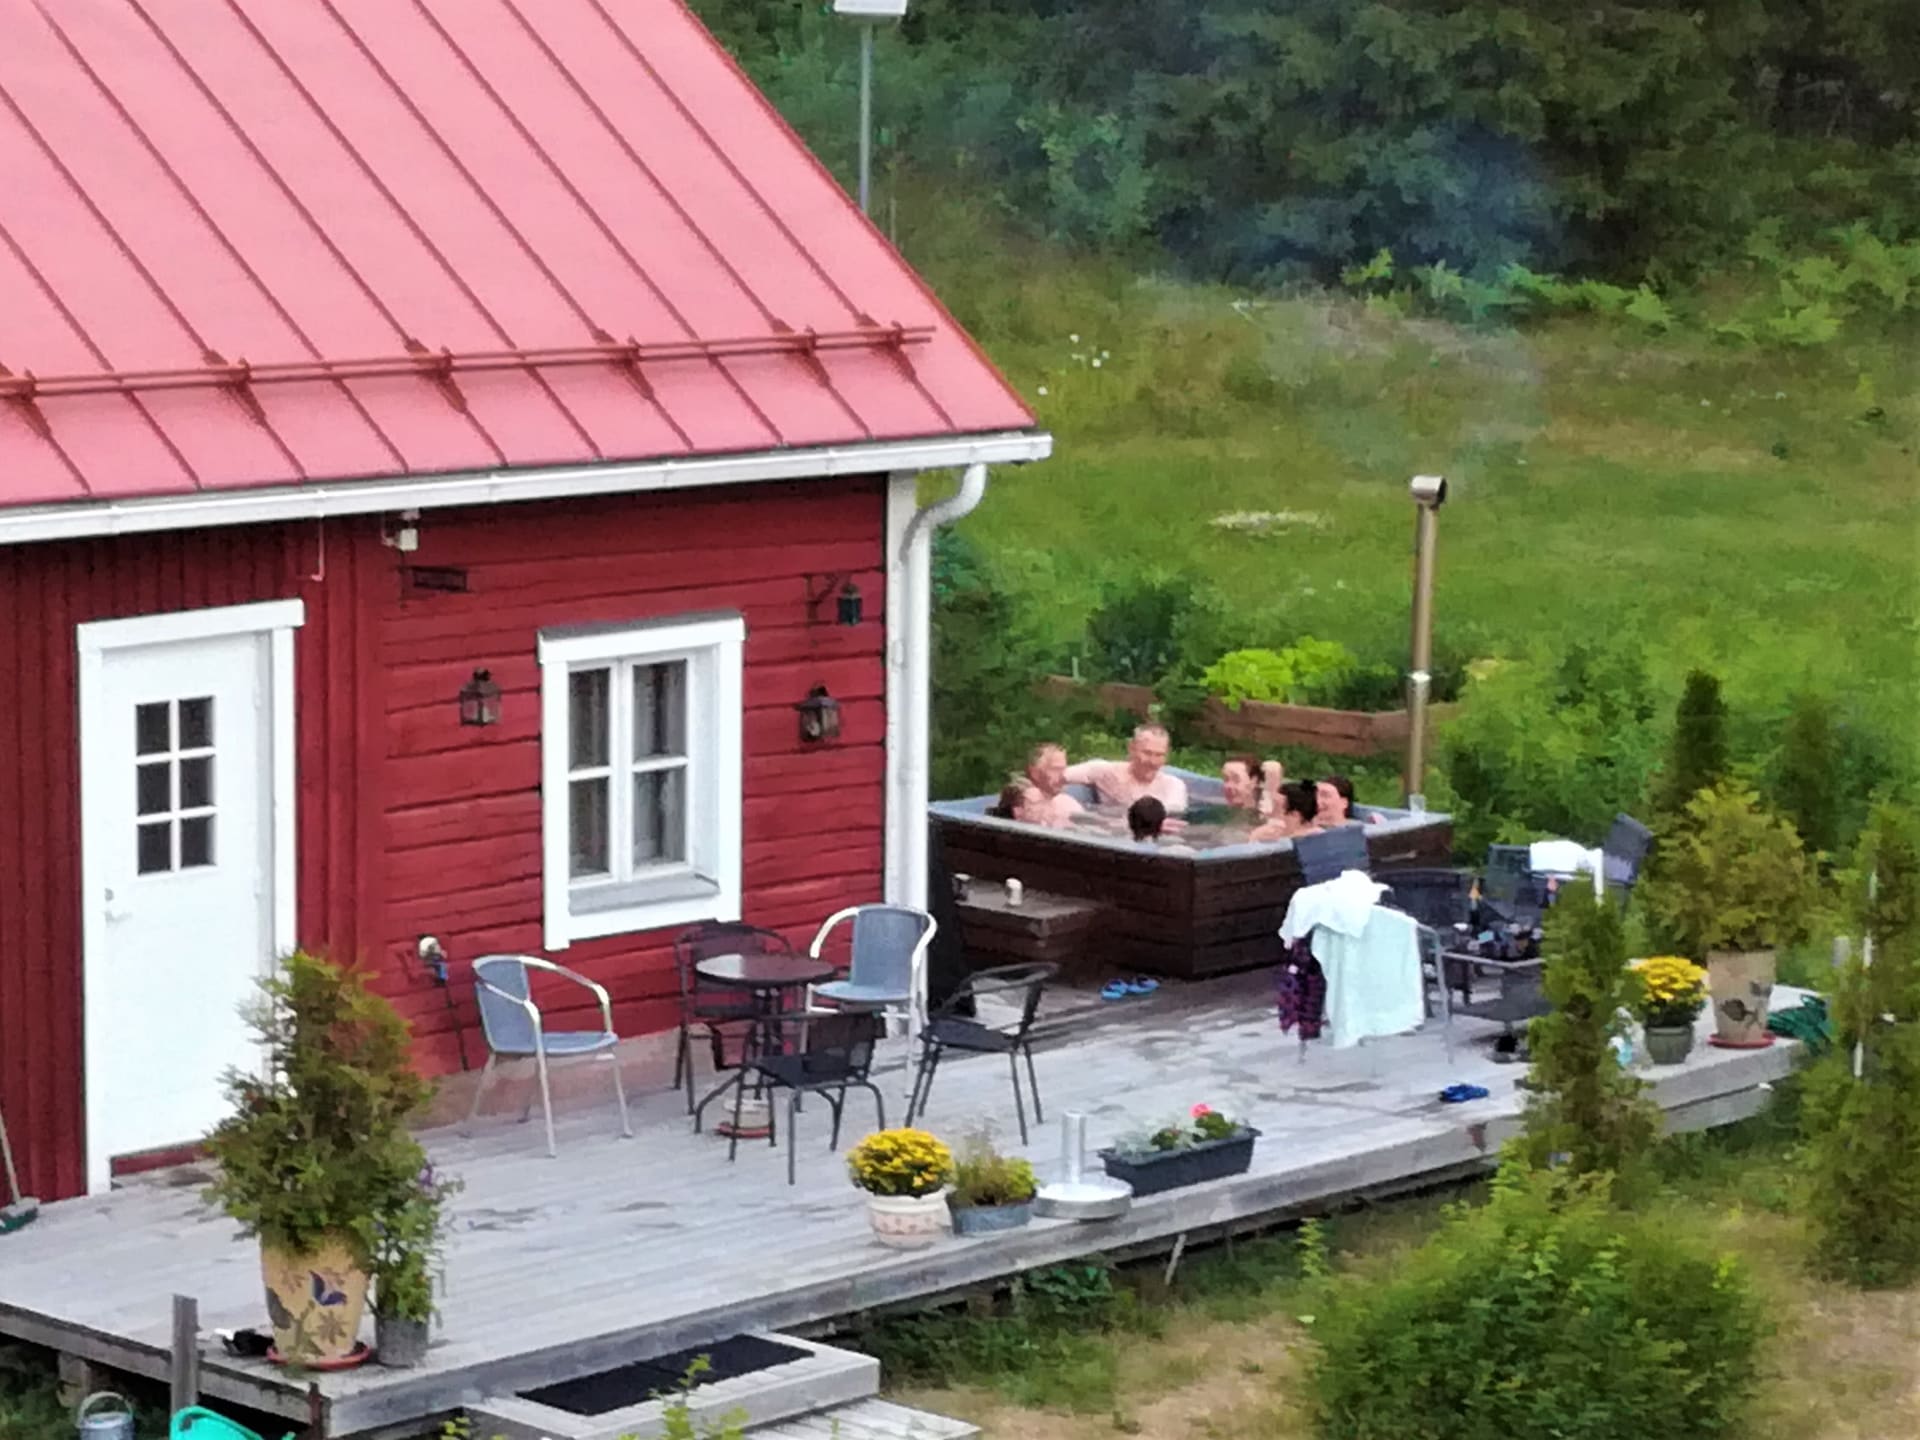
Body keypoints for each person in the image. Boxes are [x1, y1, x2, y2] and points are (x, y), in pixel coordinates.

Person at [1065, 723, 1189, 814]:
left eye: (1159, 755)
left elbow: (1170, 817)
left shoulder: (1173, 786)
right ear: (1132, 749)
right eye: (1147, 753)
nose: (1152, 761)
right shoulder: (1106, 773)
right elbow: (1056, 776)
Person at [1025, 742, 1085, 828]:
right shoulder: (1025, 809)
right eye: (1055, 769)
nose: (1063, 776)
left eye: (1063, 769)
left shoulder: (1070, 805)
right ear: (1035, 773)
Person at [1252, 780, 1321, 842]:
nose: (1270, 813)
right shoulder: (1266, 835)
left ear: (1294, 815)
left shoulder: (1315, 839)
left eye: (1277, 808)